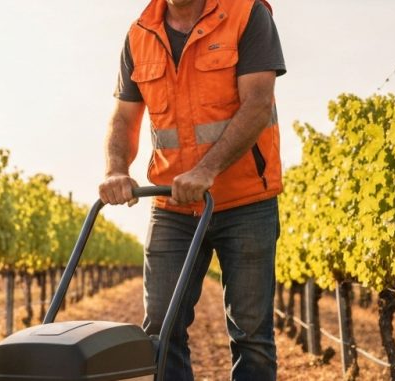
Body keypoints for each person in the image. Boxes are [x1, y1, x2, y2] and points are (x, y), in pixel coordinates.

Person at [98, 0, 285, 379]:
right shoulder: (140, 34)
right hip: (172, 207)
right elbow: (123, 116)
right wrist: (117, 169)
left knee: (252, 336)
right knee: (160, 331)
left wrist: (207, 170)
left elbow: (258, 103)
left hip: (245, 201)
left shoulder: (247, 14)